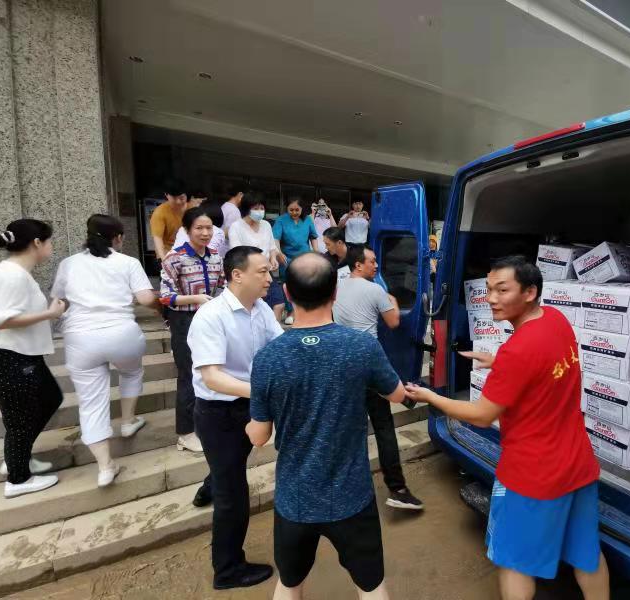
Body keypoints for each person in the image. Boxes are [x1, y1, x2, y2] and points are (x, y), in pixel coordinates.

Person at [404, 256, 609, 600]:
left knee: (513, 562)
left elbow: (483, 416)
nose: (491, 299)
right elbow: (543, 364)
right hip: (578, 464)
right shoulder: (556, 319)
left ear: (530, 292)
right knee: (587, 555)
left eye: (502, 290)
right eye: (488, 290)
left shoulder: (518, 351)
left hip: (533, 476)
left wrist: (431, 396)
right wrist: (499, 362)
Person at [246, 253, 405, 600]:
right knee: (371, 587)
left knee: (289, 584)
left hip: (295, 499)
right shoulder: (362, 346)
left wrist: (249, 425)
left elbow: (258, 436)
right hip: (352, 496)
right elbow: (396, 394)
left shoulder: (268, 358)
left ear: (288, 293)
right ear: (335, 292)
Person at [188, 246, 283, 590]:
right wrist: (263, 392)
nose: (270, 278)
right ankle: (227, 570)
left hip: (245, 404)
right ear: (237, 275)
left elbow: (280, 346)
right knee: (233, 495)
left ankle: (209, 483)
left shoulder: (261, 309)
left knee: (226, 469)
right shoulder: (211, 316)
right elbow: (212, 377)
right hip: (219, 413)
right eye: (262, 271)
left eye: (269, 271)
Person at [51, 215, 159, 487]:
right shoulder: (128, 262)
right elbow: (146, 298)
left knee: (90, 402)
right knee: (131, 372)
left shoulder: (69, 263)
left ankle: (105, 467)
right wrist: (159, 306)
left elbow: (59, 302)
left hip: (80, 338)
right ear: (118, 237)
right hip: (121, 333)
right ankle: (128, 420)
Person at [333, 244, 423, 510]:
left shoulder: (337, 287)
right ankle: (398, 489)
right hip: (370, 365)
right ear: (358, 265)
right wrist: (392, 299)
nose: (376, 265)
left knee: (351, 429)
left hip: (343, 366)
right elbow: (394, 322)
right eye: (372, 261)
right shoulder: (375, 290)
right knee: (383, 427)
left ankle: (349, 488)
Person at [0, 219, 66, 498]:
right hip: (11, 356)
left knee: (50, 398)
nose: (51, 246)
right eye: (48, 241)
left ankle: (18, 457)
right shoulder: (12, 275)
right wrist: (51, 314)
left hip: (25, 354)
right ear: (37, 243)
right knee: (20, 420)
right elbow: (3, 320)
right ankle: (18, 479)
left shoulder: (17, 272)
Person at [160, 206, 225, 458]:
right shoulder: (174, 258)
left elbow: (222, 286)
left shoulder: (215, 256)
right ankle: (186, 433)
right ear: (187, 230)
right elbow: (165, 297)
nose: (205, 233)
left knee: (211, 370)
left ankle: (206, 424)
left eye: (209, 228)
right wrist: (195, 299)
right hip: (184, 320)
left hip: (210, 319)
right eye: (199, 228)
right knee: (188, 374)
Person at [227, 194, 285, 321]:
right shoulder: (236, 226)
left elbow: (272, 247)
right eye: (256, 208)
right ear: (247, 209)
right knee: (253, 308)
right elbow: (236, 253)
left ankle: (272, 332)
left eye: (262, 208)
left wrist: (273, 258)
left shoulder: (266, 225)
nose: (259, 211)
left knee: (279, 304)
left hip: (267, 272)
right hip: (248, 273)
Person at [273, 197, 319, 325]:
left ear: (302, 209)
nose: (294, 212)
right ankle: (290, 311)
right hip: (286, 258)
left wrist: (316, 252)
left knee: (304, 284)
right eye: (291, 210)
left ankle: (303, 311)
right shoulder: (281, 220)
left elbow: (313, 237)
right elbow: (275, 238)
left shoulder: (308, 219)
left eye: (297, 210)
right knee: (288, 285)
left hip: (305, 258)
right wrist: (279, 252)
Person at [150, 179, 188, 261]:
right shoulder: (160, 212)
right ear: (166, 195)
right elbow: (158, 238)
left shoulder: (192, 208)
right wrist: (163, 259)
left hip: (191, 252)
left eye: (181, 198)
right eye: (174, 198)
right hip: (169, 253)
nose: (178, 202)